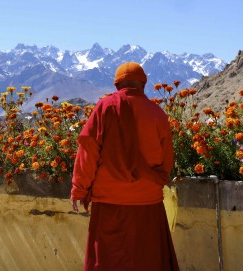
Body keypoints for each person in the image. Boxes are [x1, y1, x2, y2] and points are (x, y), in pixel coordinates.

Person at [71, 62, 179, 271]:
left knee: (108, 262)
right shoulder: (157, 113)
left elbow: (88, 151)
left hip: (109, 203)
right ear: (143, 84)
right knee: (147, 262)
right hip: (148, 203)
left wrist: (80, 189)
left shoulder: (105, 107)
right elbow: (166, 162)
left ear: (117, 84)